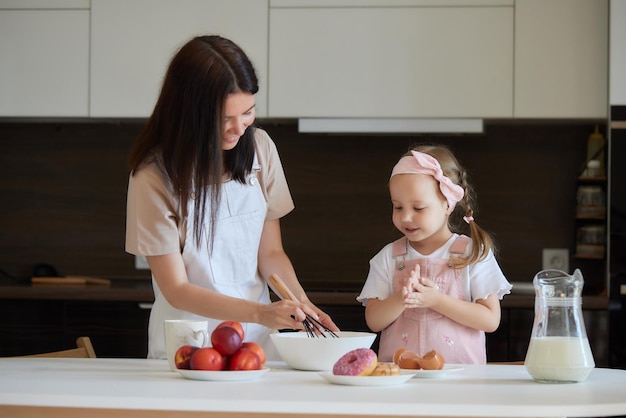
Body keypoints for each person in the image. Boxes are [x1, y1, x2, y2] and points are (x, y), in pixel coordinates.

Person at [125, 35, 338, 360]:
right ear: (187, 112)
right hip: (190, 344)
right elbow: (176, 290)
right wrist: (260, 313)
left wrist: (300, 302)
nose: (239, 128)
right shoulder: (153, 176)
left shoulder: (260, 147)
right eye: (224, 118)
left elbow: (270, 253)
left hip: (257, 343)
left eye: (248, 112)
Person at [357, 145, 511, 364]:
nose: (406, 217)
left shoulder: (472, 254)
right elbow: (374, 320)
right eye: (398, 207)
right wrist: (402, 298)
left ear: (447, 204)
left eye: (418, 208)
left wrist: (437, 300)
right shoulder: (389, 257)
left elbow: (490, 320)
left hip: (461, 383)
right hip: (400, 380)